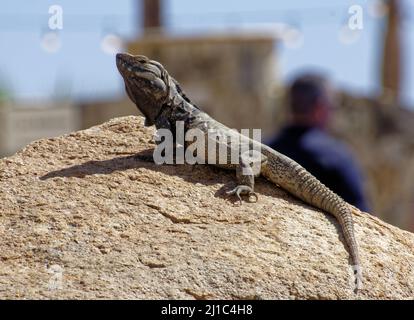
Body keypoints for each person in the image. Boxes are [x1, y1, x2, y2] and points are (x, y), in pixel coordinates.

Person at [267, 73, 369, 212]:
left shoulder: (266, 148)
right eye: (333, 106)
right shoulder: (337, 156)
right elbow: (360, 213)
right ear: (319, 107)